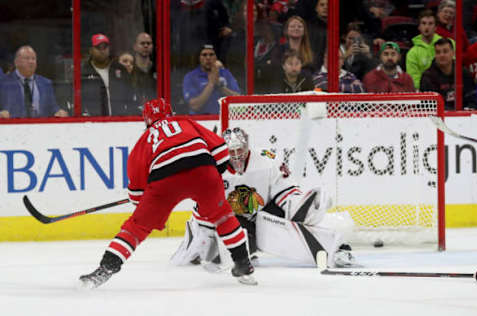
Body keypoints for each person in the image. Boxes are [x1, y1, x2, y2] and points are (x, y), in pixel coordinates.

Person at [79, 98, 257, 288]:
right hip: (203, 170)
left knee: (135, 228)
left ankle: (104, 270)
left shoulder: (144, 139)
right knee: (223, 217)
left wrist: (146, 200)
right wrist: (212, 174)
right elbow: (221, 152)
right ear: (170, 113)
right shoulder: (186, 122)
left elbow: (137, 193)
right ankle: (243, 264)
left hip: (164, 180)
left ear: (147, 120)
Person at [170, 127, 356, 269]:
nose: (236, 156)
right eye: (231, 152)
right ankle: (243, 251)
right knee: (224, 247)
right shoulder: (212, 168)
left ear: (247, 146)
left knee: (287, 222)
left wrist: (300, 206)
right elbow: (204, 210)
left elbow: (286, 191)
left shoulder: (267, 160)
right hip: (234, 223)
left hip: (266, 213)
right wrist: (202, 243)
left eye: (239, 150)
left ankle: (337, 249)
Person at [0, 45, 68, 118]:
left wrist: (59, 112)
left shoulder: (46, 83)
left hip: (40, 127)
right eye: (27, 58)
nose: (31, 61)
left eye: (33, 59)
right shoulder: (3, 83)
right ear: (16, 62)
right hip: (11, 127)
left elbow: (53, 108)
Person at [81, 33, 138, 116]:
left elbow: (131, 96)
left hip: (121, 121)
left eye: (105, 47)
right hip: (94, 123)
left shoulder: (120, 69)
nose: (102, 50)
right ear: (91, 50)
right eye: (98, 47)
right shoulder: (84, 73)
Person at [420, 38, 477, 110]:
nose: (441, 55)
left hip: (463, 116)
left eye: (445, 51)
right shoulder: (427, 76)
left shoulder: (463, 73)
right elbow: (427, 106)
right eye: (438, 52)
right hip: (439, 117)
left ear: (453, 53)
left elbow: (472, 98)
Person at [183, 44, 240, 115]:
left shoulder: (225, 73)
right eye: (204, 55)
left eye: (211, 54)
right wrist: (211, 84)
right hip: (199, 120)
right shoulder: (190, 77)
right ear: (199, 58)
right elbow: (194, 106)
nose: (208, 58)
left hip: (223, 118)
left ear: (216, 57)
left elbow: (238, 100)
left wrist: (221, 87)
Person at [406, 9, 443, 91]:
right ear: (419, 27)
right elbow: (414, 80)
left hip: (445, 89)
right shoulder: (412, 53)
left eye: (430, 24)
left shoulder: (446, 46)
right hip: (424, 93)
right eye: (423, 23)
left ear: (436, 27)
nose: (427, 27)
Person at [132, 32, 157, 105]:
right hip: (133, 112)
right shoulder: (130, 69)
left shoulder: (157, 69)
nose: (146, 46)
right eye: (142, 43)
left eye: (149, 43)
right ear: (135, 47)